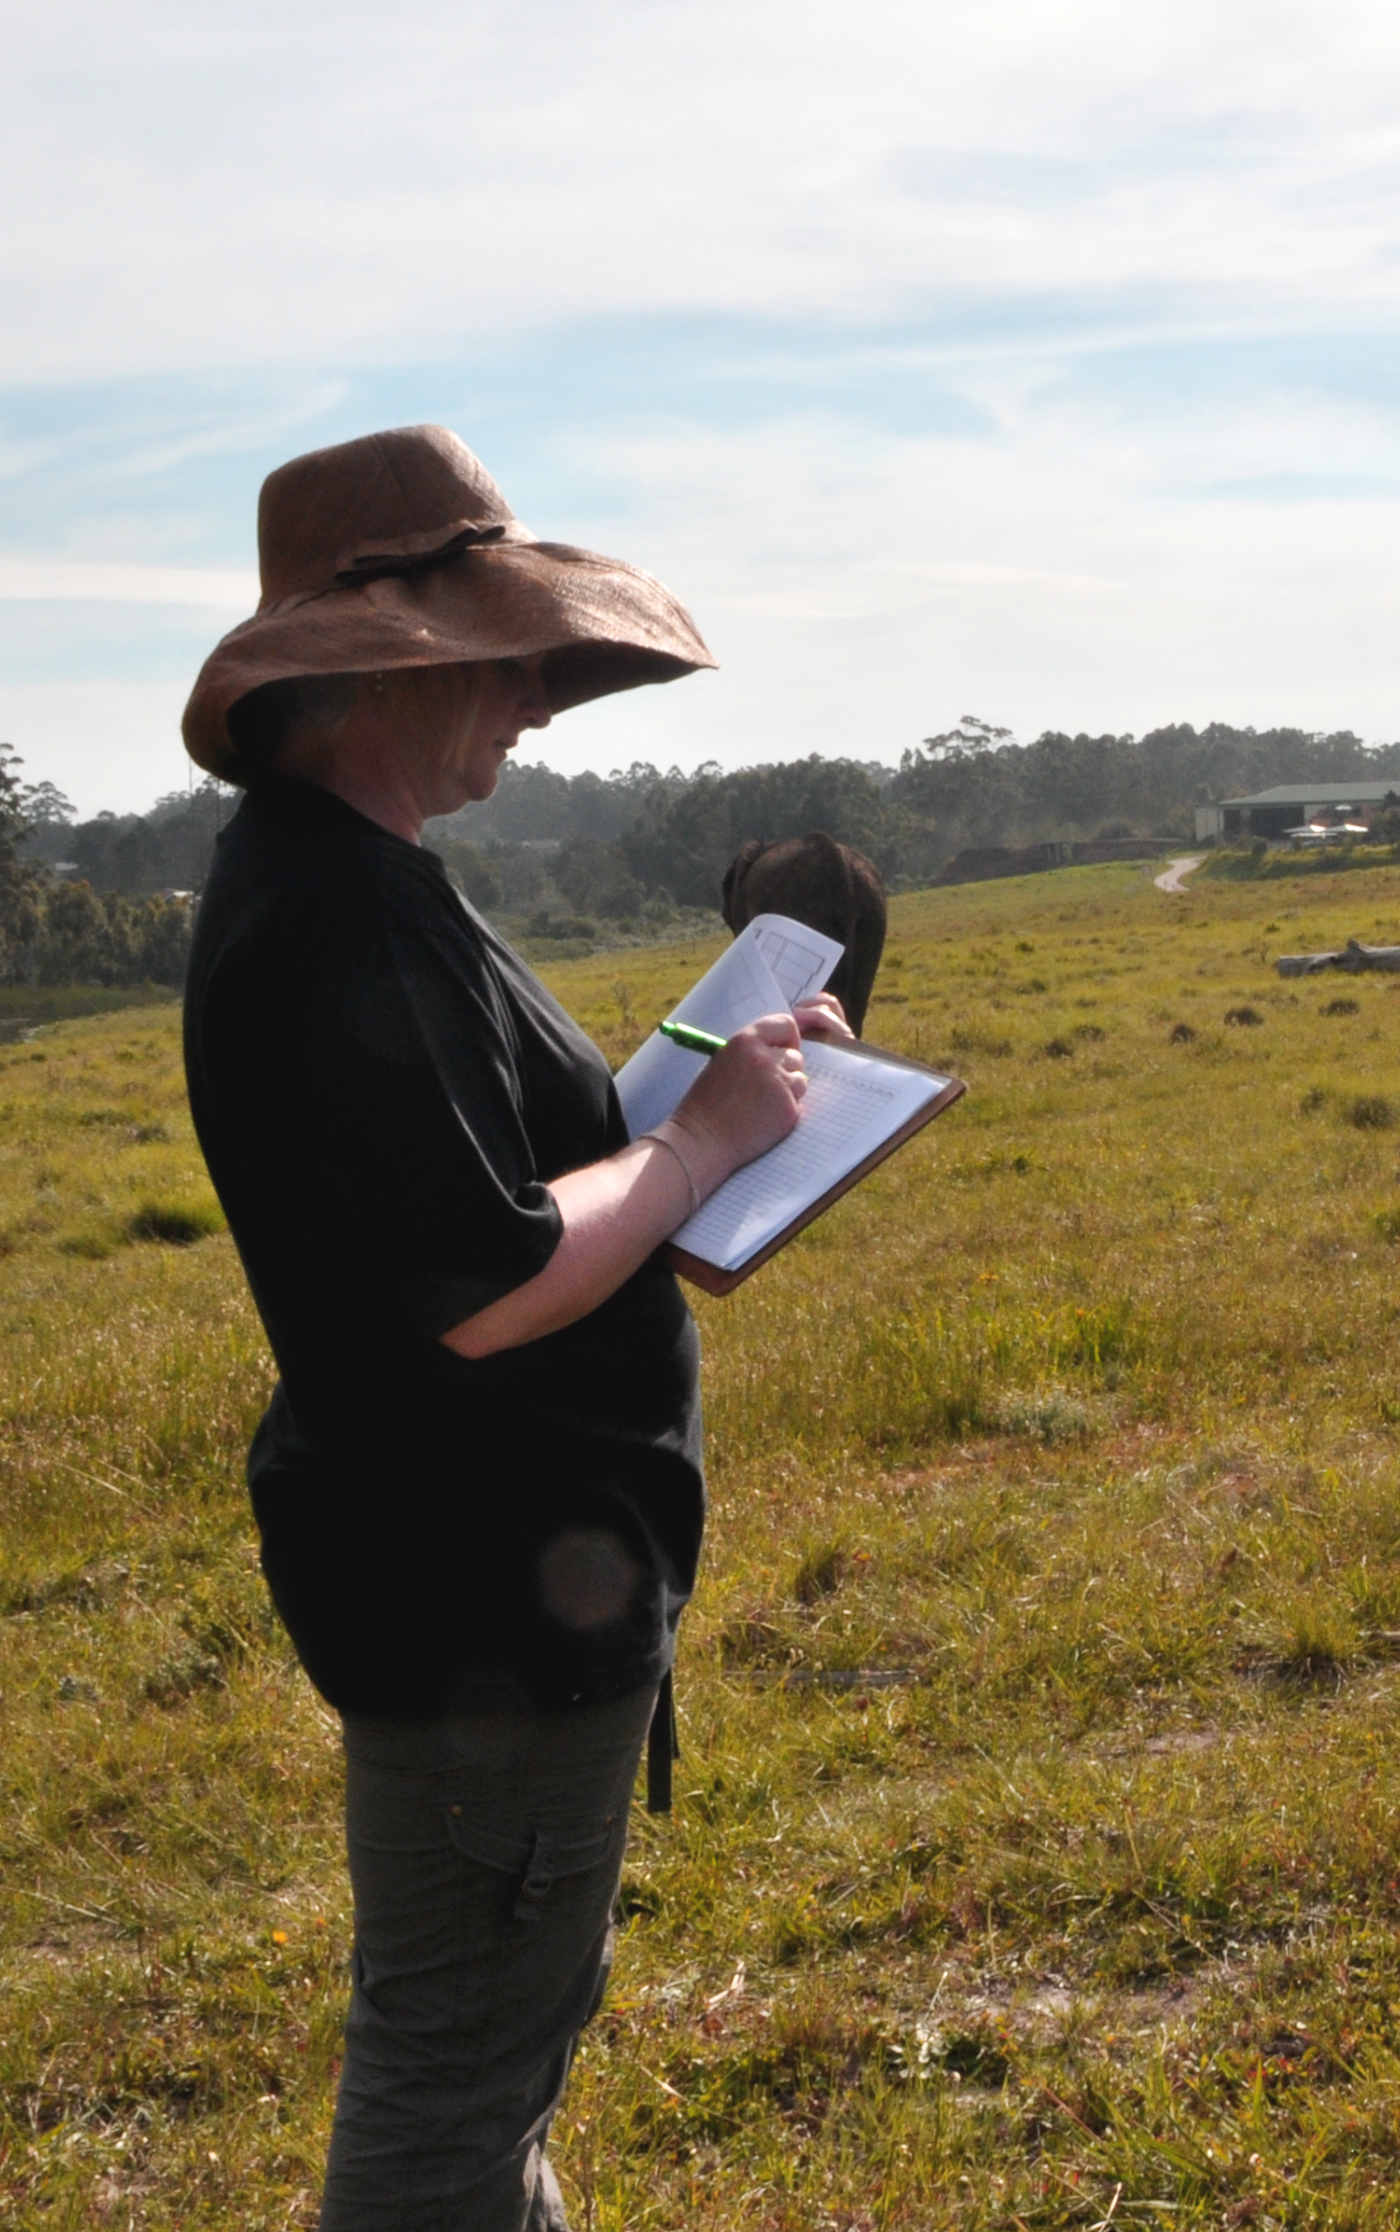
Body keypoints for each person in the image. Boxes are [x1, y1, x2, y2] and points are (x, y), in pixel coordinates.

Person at [177, 426, 849, 2229]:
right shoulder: (341, 916)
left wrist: (688, 1110)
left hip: (471, 1588)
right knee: (449, 2100)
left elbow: (464, 1189)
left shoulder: (352, 878)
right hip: (483, 1603)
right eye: (507, 656)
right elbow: (471, 1282)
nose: (537, 702)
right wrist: (698, 1141)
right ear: (387, 672)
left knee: (486, 2072)